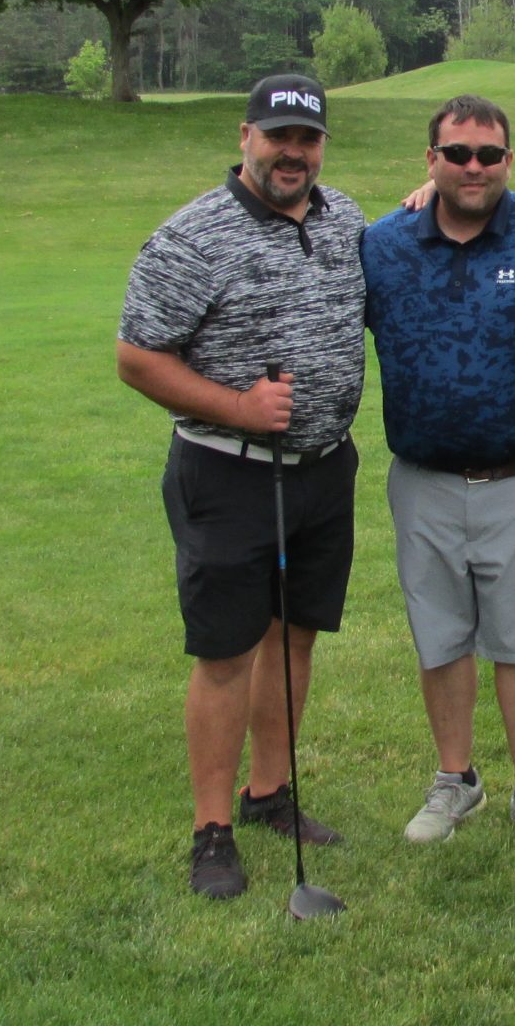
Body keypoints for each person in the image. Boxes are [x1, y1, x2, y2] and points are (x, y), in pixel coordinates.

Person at [115, 73, 366, 902]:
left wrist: (426, 193)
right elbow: (137, 357)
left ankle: (270, 792)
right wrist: (239, 407)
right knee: (225, 653)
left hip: (324, 468)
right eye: (277, 137)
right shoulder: (192, 238)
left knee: (294, 639)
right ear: (245, 137)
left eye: (307, 139)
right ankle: (212, 829)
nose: (292, 153)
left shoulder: (345, 220)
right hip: (228, 472)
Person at [362, 94, 515, 852]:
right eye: (457, 154)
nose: (474, 167)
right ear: (430, 159)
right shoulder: (383, 243)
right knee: (439, 636)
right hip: (424, 478)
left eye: (489, 154)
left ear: (509, 159)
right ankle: (455, 779)